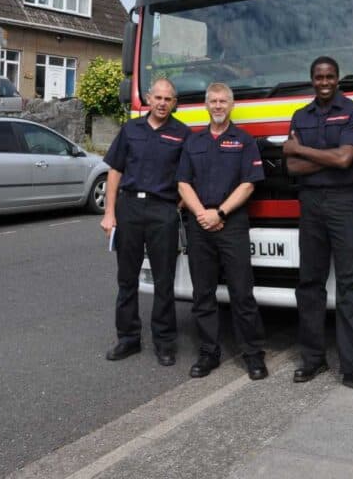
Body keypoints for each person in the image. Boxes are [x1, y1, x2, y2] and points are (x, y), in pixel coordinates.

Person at [282, 56, 353, 398]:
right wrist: (326, 158)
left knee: (350, 286)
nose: (324, 82)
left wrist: (304, 150)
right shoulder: (300, 116)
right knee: (309, 284)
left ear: (337, 79)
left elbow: (344, 159)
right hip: (310, 206)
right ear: (312, 80)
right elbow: (292, 167)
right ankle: (313, 359)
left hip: (345, 204)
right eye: (319, 77)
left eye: (330, 76)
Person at [177, 82, 268, 381]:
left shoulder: (243, 141)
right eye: (213, 101)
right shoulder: (193, 141)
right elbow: (183, 183)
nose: (218, 106)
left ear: (231, 105)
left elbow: (249, 183)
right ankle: (208, 353)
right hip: (200, 224)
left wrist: (220, 212)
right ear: (206, 105)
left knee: (242, 293)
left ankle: (253, 355)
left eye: (223, 101)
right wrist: (202, 213)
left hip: (232, 224)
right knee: (203, 294)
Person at [101, 78, 190, 367]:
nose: (162, 103)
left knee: (164, 280)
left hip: (162, 211)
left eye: (168, 99)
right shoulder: (131, 130)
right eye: (158, 97)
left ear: (174, 103)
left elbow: (189, 177)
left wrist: (174, 205)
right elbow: (115, 172)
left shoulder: (183, 134)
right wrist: (109, 213)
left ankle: (164, 342)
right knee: (127, 279)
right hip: (129, 208)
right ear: (148, 99)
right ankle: (127, 339)